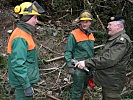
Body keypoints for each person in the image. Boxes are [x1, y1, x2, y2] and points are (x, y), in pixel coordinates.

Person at [75, 16, 133, 100]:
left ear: (118, 26)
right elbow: (104, 57)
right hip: (108, 80)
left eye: (110, 25)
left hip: (113, 81)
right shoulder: (115, 39)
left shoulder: (121, 41)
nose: (107, 27)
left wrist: (86, 63)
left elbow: (109, 59)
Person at [7, 1, 45, 100]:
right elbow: (18, 64)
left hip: (24, 81)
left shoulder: (25, 33)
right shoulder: (20, 37)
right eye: (35, 17)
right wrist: (26, 85)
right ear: (26, 17)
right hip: (22, 84)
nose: (36, 21)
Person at [64, 10, 95, 100]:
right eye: (83, 21)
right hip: (78, 68)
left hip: (88, 66)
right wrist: (70, 66)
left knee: (84, 89)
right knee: (77, 90)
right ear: (80, 22)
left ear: (90, 22)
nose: (85, 24)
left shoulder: (91, 35)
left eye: (87, 21)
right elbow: (68, 51)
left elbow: (91, 52)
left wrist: (93, 66)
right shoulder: (74, 34)